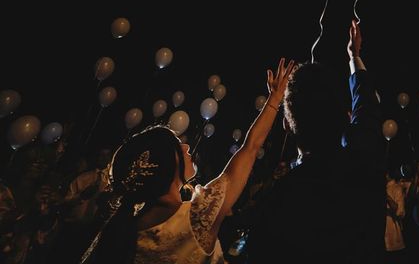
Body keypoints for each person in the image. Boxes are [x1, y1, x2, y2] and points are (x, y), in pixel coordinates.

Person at [80, 57, 294, 264]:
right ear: (167, 163)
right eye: (177, 144)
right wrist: (275, 99)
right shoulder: (198, 216)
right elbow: (250, 148)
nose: (186, 146)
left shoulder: (122, 236)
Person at [247, 20, 386, 263]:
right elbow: (366, 105)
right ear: (345, 117)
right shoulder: (364, 161)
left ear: (287, 125)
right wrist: (354, 55)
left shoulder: (278, 202)